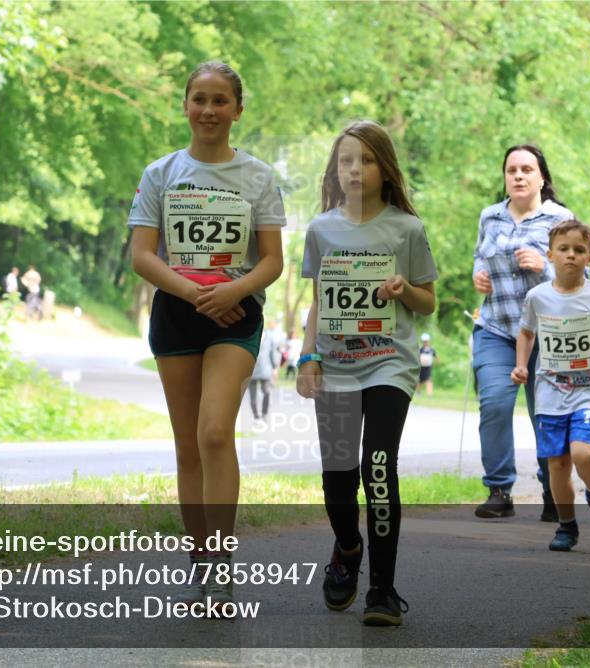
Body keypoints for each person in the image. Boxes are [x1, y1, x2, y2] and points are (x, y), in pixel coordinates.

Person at [128, 61, 285, 610]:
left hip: (235, 317)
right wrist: (198, 294)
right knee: (187, 444)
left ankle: (219, 560)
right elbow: (142, 255)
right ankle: (201, 559)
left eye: (220, 101)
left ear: (238, 110)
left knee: (215, 431)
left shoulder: (259, 177)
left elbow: (272, 261)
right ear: (185, 105)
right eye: (199, 99)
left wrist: (232, 291)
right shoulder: (161, 173)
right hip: (179, 314)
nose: (209, 110)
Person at [297, 120, 437, 626]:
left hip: (388, 365)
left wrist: (405, 290)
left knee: (378, 469)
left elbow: (428, 302)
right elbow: (316, 303)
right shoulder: (321, 229)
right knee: (337, 481)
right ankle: (348, 548)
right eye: (346, 161)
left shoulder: (406, 229)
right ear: (336, 171)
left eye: (367, 160)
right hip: (334, 367)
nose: (355, 169)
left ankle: (381, 589)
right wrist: (307, 357)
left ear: (385, 168)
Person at [511, 220, 590, 550]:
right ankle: (567, 526)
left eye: (579, 250)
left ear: (589, 257)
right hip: (550, 391)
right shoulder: (537, 297)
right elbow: (526, 332)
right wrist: (521, 364)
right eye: (563, 249)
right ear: (550, 254)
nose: (571, 256)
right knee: (558, 463)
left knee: (582, 452)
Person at [471, 144, 575, 521]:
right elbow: (479, 257)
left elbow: (581, 277)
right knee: (495, 404)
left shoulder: (559, 219)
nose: (518, 176)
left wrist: (545, 268)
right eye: (511, 169)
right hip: (496, 328)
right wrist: (477, 277)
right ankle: (499, 489)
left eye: (526, 169)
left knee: (546, 415)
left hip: (546, 335)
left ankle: (553, 490)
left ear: (541, 177)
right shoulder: (490, 216)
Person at [249, 328, 276, 420]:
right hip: (251, 369)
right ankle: (256, 414)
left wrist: (274, 366)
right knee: (253, 394)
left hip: (265, 369)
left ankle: (264, 412)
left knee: (267, 392)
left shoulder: (269, 337)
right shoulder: (249, 333)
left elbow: (272, 353)